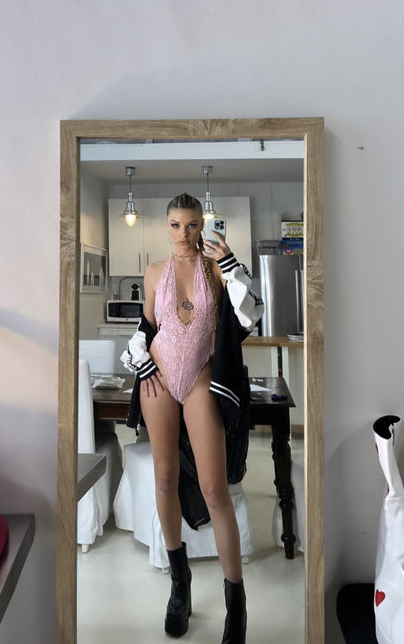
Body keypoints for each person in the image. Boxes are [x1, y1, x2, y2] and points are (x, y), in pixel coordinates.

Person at [121, 193, 263, 643]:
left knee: (214, 489)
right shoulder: (153, 272)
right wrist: (140, 356)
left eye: (192, 225)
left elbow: (251, 316)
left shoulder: (217, 270)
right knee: (164, 479)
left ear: (203, 226)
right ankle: (179, 586)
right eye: (175, 225)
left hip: (202, 377)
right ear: (166, 226)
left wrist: (232, 264)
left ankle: (236, 604)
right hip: (159, 380)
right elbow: (148, 327)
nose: (184, 234)